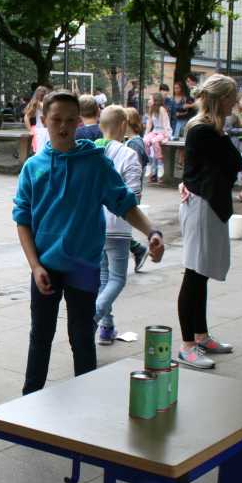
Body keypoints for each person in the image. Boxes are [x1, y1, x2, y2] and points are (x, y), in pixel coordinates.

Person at [13, 90, 164, 394]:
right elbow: (22, 220)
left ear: (79, 122)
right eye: (56, 119)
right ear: (45, 121)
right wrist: (35, 265)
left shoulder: (95, 164)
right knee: (40, 335)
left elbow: (124, 203)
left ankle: (87, 400)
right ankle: (29, 399)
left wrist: (151, 232)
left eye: (71, 120)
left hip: (83, 265)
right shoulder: (33, 168)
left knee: (82, 336)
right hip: (45, 266)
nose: (63, 126)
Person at [177, 74, 242, 370]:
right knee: (194, 274)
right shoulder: (204, 130)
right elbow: (236, 162)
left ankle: (201, 336)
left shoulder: (210, 129)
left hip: (207, 204)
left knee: (201, 273)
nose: (235, 102)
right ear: (221, 99)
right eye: (232, 97)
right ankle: (187, 345)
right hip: (201, 206)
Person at [94, 105, 145, 344]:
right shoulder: (129, 155)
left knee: (104, 278)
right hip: (118, 226)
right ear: (124, 125)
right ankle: (93, 317)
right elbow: (134, 196)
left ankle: (107, 327)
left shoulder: (91, 151)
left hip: (94, 225)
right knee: (117, 279)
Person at [122, 107, 151, 272]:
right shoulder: (133, 141)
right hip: (130, 191)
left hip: (130, 191)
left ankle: (138, 249)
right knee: (117, 227)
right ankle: (137, 249)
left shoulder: (134, 143)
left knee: (116, 227)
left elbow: (134, 170)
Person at [142, 92, 171, 181]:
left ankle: (160, 163)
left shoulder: (162, 109)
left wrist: (166, 137)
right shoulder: (151, 109)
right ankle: (149, 163)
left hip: (163, 131)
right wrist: (146, 135)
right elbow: (149, 124)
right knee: (145, 141)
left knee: (154, 141)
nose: (149, 101)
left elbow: (165, 124)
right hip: (155, 131)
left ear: (155, 100)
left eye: (150, 99)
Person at [23, 85, 51, 154]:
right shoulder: (36, 103)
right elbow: (26, 117)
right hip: (41, 130)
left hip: (46, 129)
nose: (42, 95)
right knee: (42, 150)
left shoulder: (46, 103)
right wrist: (30, 130)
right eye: (41, 93)